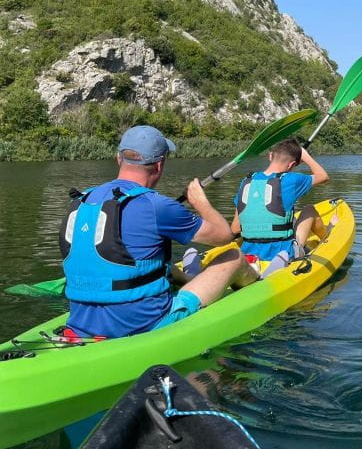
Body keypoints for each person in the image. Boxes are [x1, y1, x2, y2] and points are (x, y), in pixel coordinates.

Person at [59, 125, 257, 339]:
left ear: (119, 159)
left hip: (81, 322)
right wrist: (200, 201)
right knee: (234, 256)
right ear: (160, 164)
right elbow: (224, 236)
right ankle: (256, 282)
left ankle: (190, 279)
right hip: (144, 324)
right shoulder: (157, 206)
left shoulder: (80, 199)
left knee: (145, 260)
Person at [230, 138, 330, 262]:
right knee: (309, 210)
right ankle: (327, 239)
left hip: (249, 253)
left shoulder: (246, 182)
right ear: (291, 165)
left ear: (270, 156)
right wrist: (306, 156)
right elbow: (323, 176)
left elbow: (235, 228)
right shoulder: (291, 180)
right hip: (283, 253)